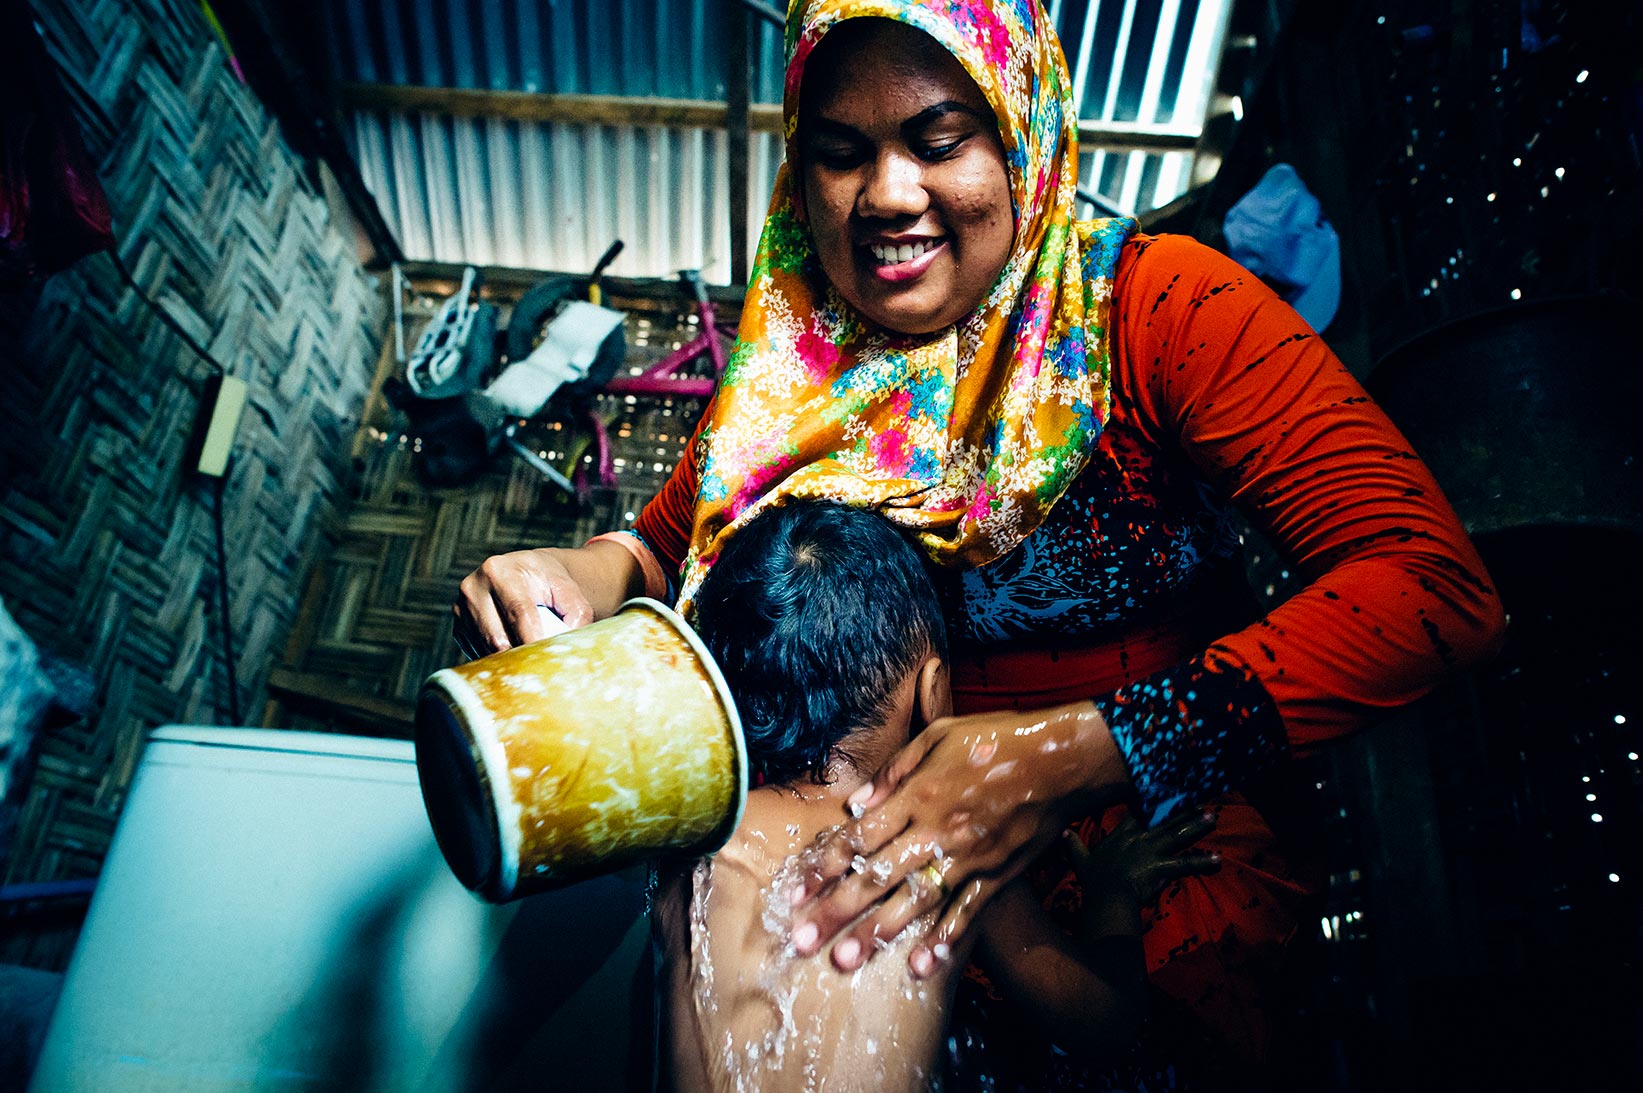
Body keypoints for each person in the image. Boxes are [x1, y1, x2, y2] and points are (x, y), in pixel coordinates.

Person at [455, 0, 1505, 1071]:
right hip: (880, 861)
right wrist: (577, 572)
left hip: (1150, 833)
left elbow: (1430, 590)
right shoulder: (794, 365)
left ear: (1023, 129)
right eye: (839, 152)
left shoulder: (1156, 315)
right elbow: (659, 546)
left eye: (938, 139)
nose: (886, 194)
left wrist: (1074, 754)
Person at [654, 498, 1220, 1091]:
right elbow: (1103, 1023)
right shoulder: (937, 841)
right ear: (934, 691)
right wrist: (1112, 893)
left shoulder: (697, 843)